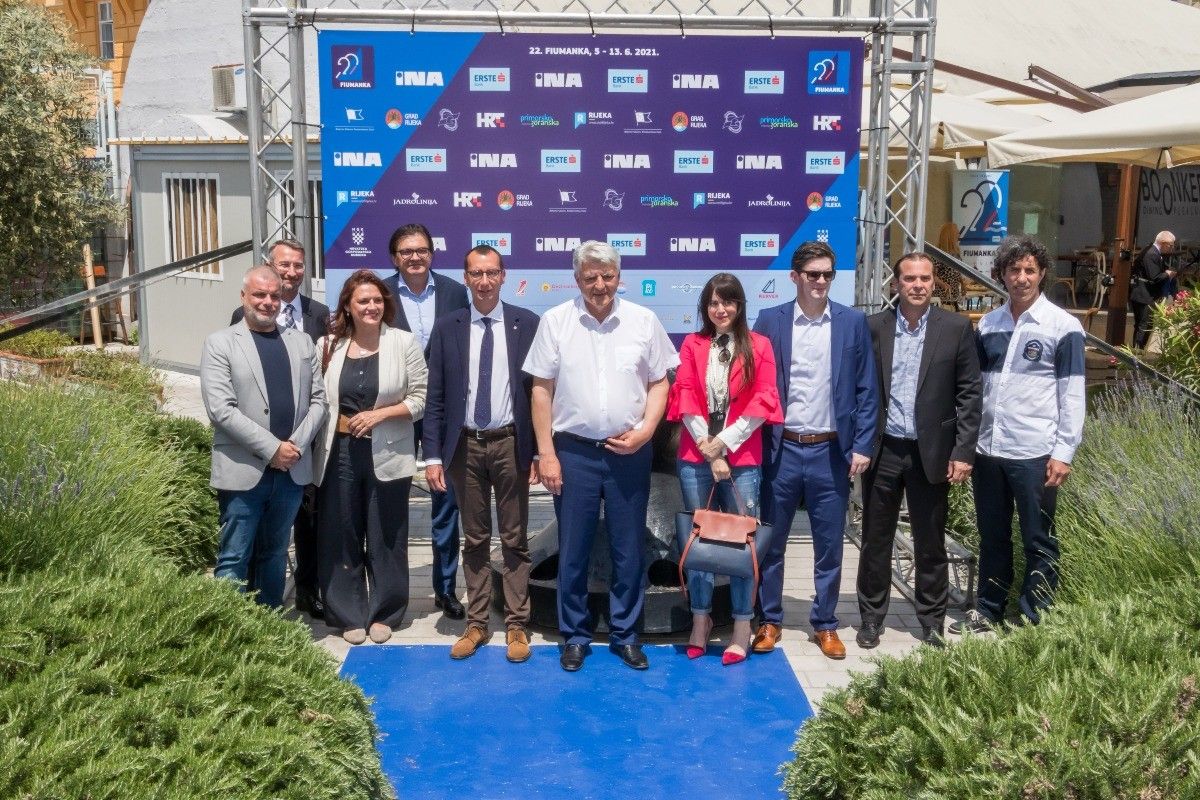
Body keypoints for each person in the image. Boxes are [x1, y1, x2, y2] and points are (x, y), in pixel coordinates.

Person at [523, 241, 678, 672]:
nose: (599, 285)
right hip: (573, 453)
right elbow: (541, 390)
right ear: (577, 279)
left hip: (630, 451)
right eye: (590, 276)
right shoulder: (555, 322)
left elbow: (660, 382)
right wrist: (546, 453)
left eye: (607, 276)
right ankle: (575, 636)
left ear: (619, 277)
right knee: (573, 548)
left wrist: (646, 431)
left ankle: (626, 635)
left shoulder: (643, 321)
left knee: (629, 549)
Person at [951, 235, 1086, 635]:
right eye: (1014, 270)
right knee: (993, 537)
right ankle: (988, 610)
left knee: (1038, 539)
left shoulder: (1063, 327)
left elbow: (1072, 393)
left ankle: (1033, 619)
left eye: (1029, 270)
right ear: (1002, 275)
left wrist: (1063, 452)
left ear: (1042, 273)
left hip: (1035, 452)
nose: (1021, 277)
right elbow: (973, 389)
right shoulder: (988, 324)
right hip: (989, 450)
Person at [752, 241, 879, 660]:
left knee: (829, 546)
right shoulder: (770, 320)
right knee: (772, 542)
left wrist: (862, 444)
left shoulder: (852, 322)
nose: (821, 281)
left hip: (831, 452)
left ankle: (825, 623)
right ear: (795, 277)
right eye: (813, 274)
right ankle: (769, 619)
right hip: (781, 450)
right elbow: (755, 384)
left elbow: (867, 389)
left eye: (827, 274)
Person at [857, 253, 981, 650]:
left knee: (931, 542)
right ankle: (871, 619)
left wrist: (963, 451)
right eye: (909, 278)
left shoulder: (956, 328)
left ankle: (931, 622)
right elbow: (859, 390)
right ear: (895, 284)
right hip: (884, 449)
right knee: (876, 539)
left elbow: (970, 393)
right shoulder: (873, 327)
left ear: (933, 283)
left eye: (925, 278)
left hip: (933, 452)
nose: (917, 285)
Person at [423, 246, 541, 663]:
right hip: (464, 447)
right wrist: (432, 456)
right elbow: (435, 397)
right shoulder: (447, 327)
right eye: (477, 273)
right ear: (466, 277)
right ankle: (477, 623)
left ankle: (517, 625)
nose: (485, 281)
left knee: (514, 538)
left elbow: (540, 393)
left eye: (492, 273)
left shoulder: (527, 323)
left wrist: (539, 452)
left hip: (511, 443)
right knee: (473, 538)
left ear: (504, 275)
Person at [667, 273, 782, 665]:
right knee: (698, 543)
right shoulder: (692, 344)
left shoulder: (759, 345)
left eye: (728, 302)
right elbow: (684, 396)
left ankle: (742, 626)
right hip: (695, 457)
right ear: (705, 307)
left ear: (740, 305)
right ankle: (700, 620)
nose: (721, 309)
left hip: (743, 459)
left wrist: (725, 443)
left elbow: (764, 400)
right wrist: (709, 449)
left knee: (741, 546)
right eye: (713, 303)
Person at [201, 264, 327, 609]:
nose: (268, 302)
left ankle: (270, 627)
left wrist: (295, 447)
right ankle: (228, 628)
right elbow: (221, 410)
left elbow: (319, 401)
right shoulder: (220, 343)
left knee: (274, 553)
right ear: (243, 296)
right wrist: (273, 449)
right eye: (259, 294)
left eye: (274, 295)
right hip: (244, 471)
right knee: (234, 556)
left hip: (291, 473)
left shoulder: (301, 342)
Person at [312, 270, 427, 645]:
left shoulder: (404, 343)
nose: (371, 306)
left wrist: (381, 415)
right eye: (363, 300)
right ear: (348, 305)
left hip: (387, 450)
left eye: (378, 300)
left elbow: (422, 399)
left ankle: (385, 612)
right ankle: (348, 613)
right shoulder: (327, 346)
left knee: (386, 533)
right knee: (340, 531)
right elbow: (316, 400)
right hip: (339, 451)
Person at [230, 239, 330, 620]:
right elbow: (232, 396)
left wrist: (296, 444)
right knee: (244, 548)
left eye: (298, 265)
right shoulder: (235, 326)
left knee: (303, 528)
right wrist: (272, 448)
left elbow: (319, 391)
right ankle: (236, 618)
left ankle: (304, 594)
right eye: (283, 264)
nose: (291, 272)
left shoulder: (318, 316)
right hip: (254, 458)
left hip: (303, 450)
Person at [383, 223, 470, 620]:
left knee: (446, 503)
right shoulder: (380, 293)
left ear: (432, 254)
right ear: (394, 257)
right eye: (406, 251)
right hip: (397, 410)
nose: (414, 257)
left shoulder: (454, 292)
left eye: (421, 250)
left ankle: (445, 589)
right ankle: (390, 593)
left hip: (442, 412)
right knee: (390, 502)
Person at [1130, 231, 1177, 349]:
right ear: (1163, 243)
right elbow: (1154, 277)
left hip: (1143, 293)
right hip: (1144, 295)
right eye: (1171, 245)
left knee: (1142, 324)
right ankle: (1137, 352)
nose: (1171, 248)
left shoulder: (1153, 251)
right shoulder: (1151, 254)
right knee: (1144, 325)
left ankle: (1137, 350)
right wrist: (1168, 274)